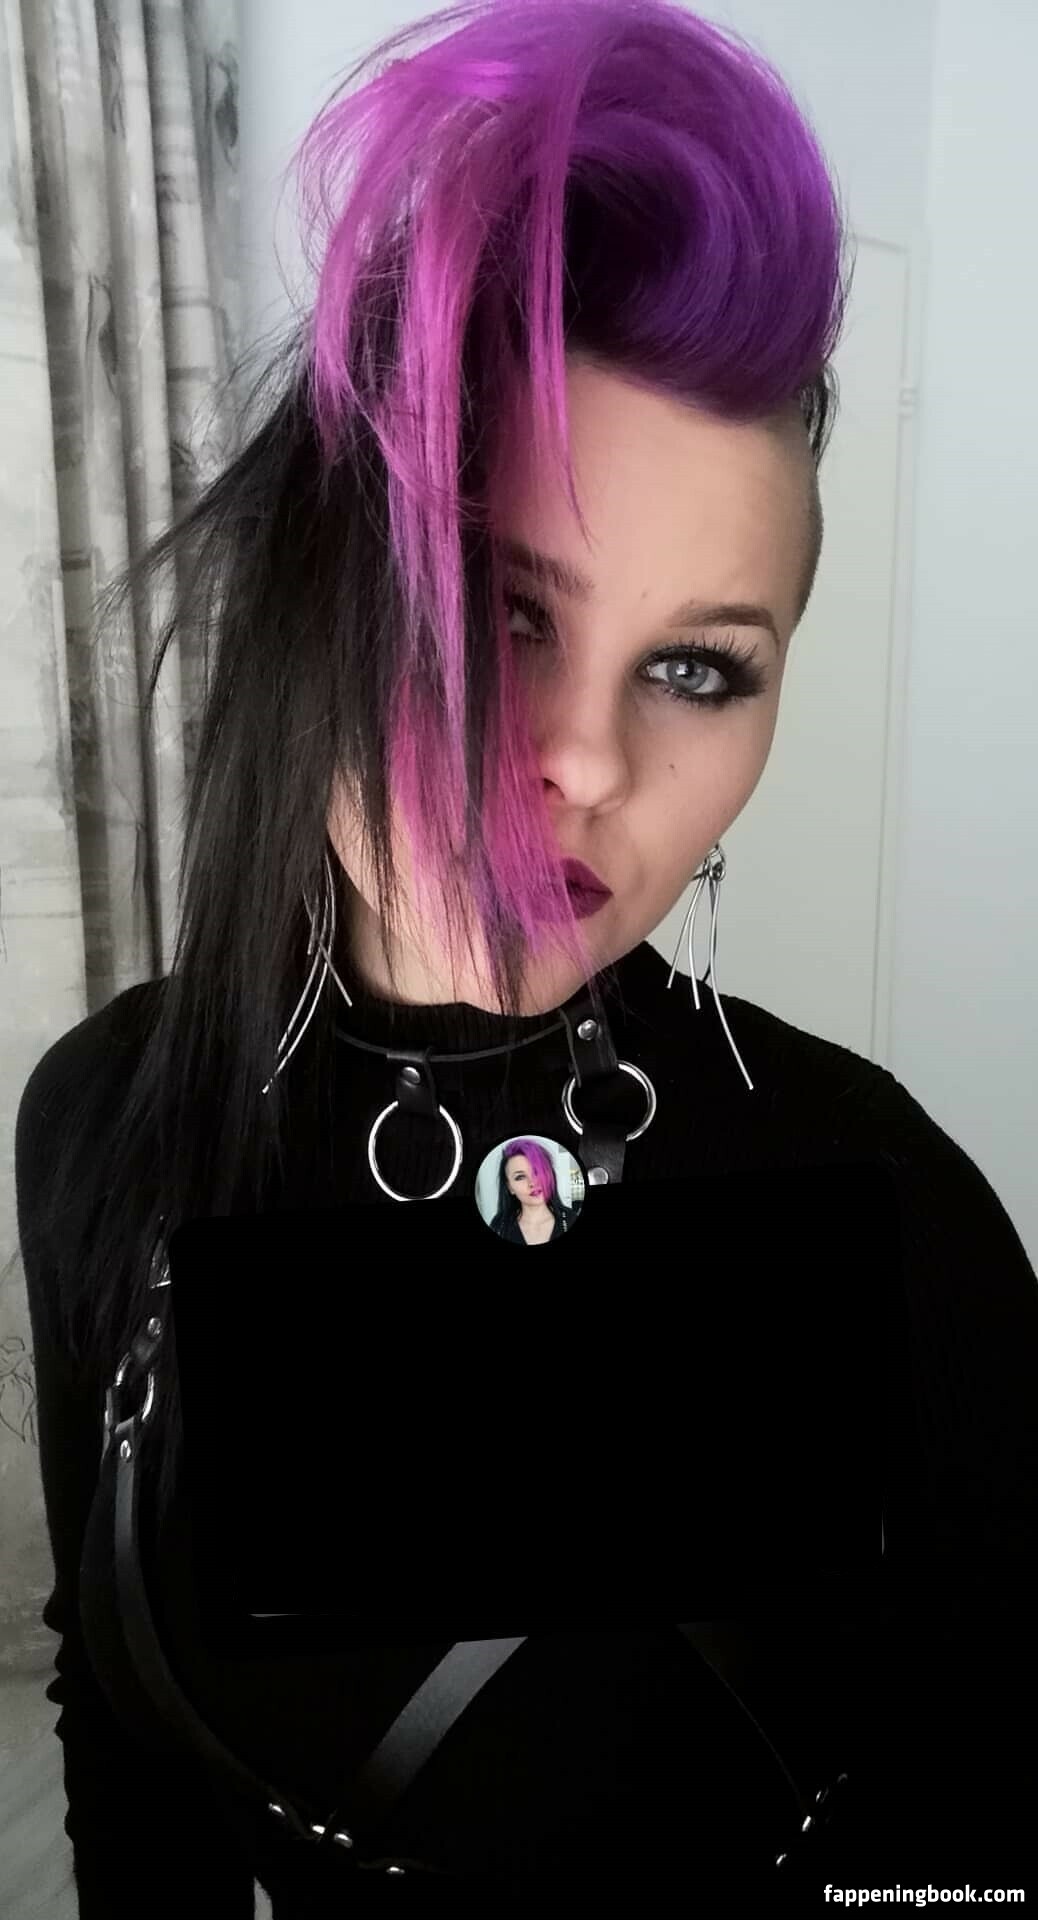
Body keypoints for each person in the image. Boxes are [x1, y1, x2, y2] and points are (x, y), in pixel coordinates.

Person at [14, 0, 1038, 1912]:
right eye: (501, 611)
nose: (585, 761)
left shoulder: (880, 1212)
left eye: (695, 668)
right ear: (311, 584)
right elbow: (127, 1731)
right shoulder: (107, 1129)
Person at [488, 1139, 579, 1243]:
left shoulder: (571, 1219)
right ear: (510, 1187)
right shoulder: (499, 1227)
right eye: (520, 1177)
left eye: (537, 1171)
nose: (532, 1183)